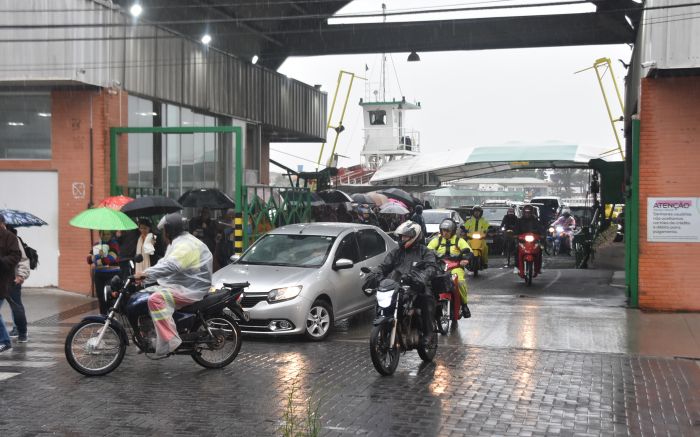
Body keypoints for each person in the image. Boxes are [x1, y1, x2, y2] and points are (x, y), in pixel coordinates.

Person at [134, 213, 213, 356]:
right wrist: (145, 276)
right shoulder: (177, 243)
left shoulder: (186, 245)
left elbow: (171, 266)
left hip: (189, 289)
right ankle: (149, 336)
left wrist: (146, 274)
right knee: (143, 295)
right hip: (180, 286)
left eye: (164, 230)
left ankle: (171, 340)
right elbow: (164, 263)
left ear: (170, 230)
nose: (163, 233)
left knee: (155, 299)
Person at [369, 220, 438, 347]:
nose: (403, 239)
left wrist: (421, 277)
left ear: (414, 237)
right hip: (397, 287)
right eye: (402, 236)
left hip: (417, 287)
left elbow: (431, 268)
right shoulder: (396, 252)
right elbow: (384, 266)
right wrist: (376, 274)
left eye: (406, 236)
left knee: (426, 300)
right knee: (381, 301)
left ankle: (429, 334)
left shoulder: (424, 251)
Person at [427, 218, 472, 318]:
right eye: (443, 230)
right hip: (439, 266)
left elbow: (468, 251)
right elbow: (427, 251)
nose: (445, 233)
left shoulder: (459, 240)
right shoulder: (436, 240)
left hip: (455, 266)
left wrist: (465, 259)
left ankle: (464, 305)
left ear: (453, 231)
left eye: (447, 231)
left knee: (460, 282)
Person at [4, 226, 30, 343]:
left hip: (12, 280)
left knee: (16, 307)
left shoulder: (13, 238)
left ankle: (22, 332)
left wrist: (20, 276)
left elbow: (23, 259)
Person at [0, 215, 21, 353]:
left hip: (3, 280)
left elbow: (16, 256)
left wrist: (1, 261)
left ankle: (5, 341)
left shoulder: (10, 237)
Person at [90, 230, 120, 315]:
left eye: (108, 234)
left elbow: (112, 258)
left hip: (111, 274)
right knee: (100, 297)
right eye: (103, 234)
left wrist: (97, 258)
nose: (106, 236)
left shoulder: (114, 244)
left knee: (108, 296)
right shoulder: (96, 245)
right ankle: (103, 317)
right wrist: (95, 257)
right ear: (100, 234)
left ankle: (110, 317)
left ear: (111, 234)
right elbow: (88, 259)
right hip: (99, 274)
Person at [515, 204, 544, 274]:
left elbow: (541, 228)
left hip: (534, 241)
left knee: (539, 250)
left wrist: (542, 235)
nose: (527, 214)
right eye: (526, 212)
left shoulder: (536, 220)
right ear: (523, 212)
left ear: (532, 212)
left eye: (529, 212)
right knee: (516, 250)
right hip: (522, 241)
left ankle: (538, 268)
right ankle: (516, 267)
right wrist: (515, 235)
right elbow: (516, 229)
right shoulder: (519, 221)